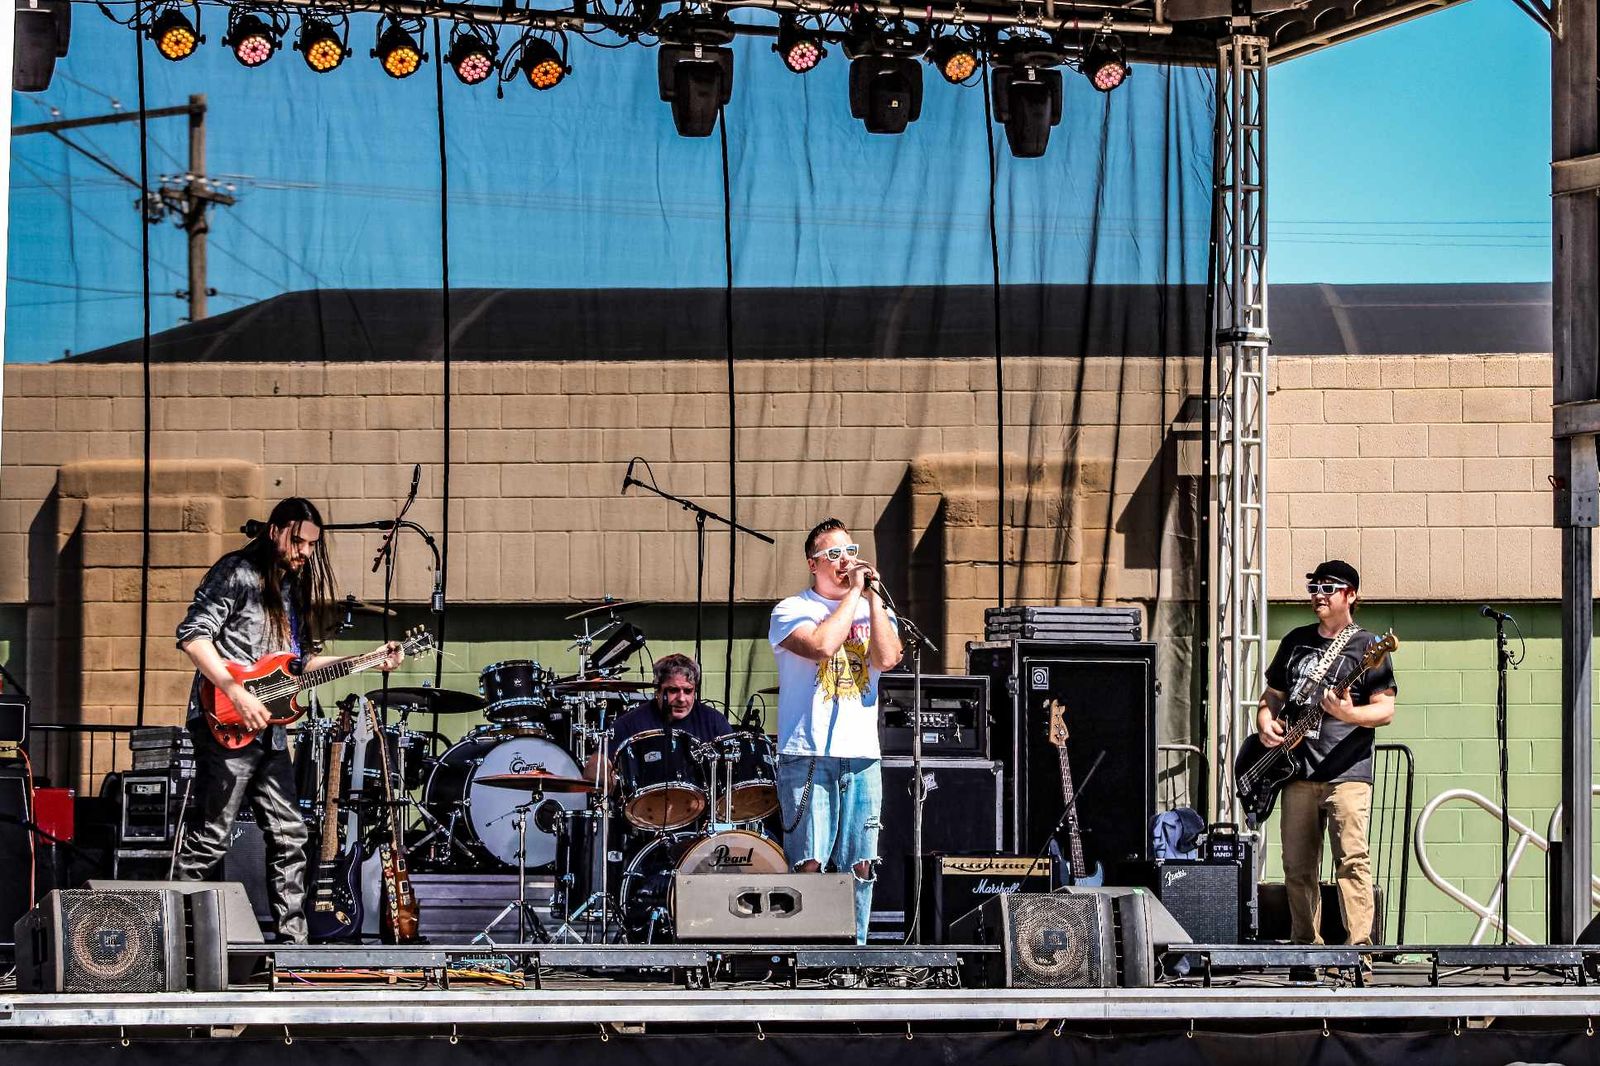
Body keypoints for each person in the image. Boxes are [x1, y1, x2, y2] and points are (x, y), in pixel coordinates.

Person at [174, 497, 403, 943]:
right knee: (212, 837)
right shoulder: (237, 572)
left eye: (312, 545)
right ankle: (167, 937)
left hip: (270, 731)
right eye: (298, 541)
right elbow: (193, 636)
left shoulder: (292, 589)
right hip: (225, 723)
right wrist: (235, 692)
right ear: (275, 530)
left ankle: (293, 944)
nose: (305, 552)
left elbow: (298, 666)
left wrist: (368, 659)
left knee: (290, 834)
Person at [769, 517, 902, 944]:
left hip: (862, 755)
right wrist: (854, 595)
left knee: (861, 863)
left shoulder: (872, 607)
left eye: (850, 551)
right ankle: (807, 951)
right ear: (813, 564)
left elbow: (888, 658)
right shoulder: (792, 609)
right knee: (809, 861)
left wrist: (872, 598)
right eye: (834, 554)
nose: (845, 560)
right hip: (808, 753)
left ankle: (854, 951)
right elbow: (822, 646)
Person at [1256, 559, 1396, 961]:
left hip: (1347, 774)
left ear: (1350, 595)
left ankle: (1358, 954)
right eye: (1314, 587)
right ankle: (1306, 952)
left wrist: (1349, 714)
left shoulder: (1367, 647)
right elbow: (1273, 695)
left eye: (1328, 588)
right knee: (1297, 867)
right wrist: (1265, 721)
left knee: (1352, 861)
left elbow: (1385, 710)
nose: (1318, 595)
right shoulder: (1296, 640)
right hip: (1295, 771)